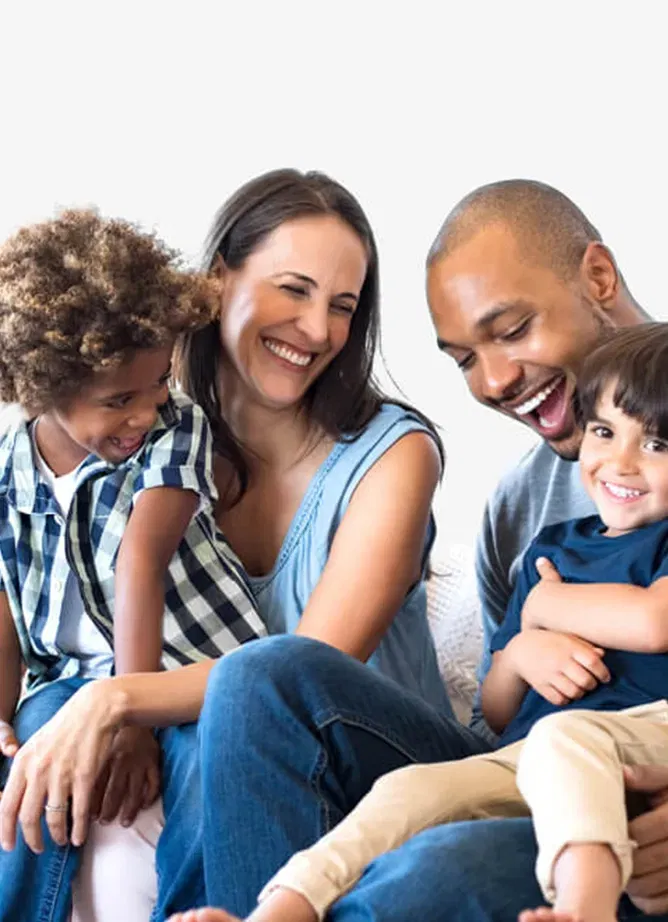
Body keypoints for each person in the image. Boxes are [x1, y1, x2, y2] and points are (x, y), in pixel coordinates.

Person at [168, 179, 668, 922]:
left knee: (429, 871)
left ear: (597, 277)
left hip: (614, 797)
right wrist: (522, 650)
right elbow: (499, 719)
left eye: (513, 329)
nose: (495, 381)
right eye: (464, 359)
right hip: (523, 768)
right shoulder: (521, 510)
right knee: (259, 676)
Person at [1, 170, 455, 921]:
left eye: (343, 307)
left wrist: (117, 699)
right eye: (294, 290)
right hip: (237, 761)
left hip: (366, 766)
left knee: (234, 706)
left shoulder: (394, 455)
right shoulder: (136, 425)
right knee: (53, 742)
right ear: (217, 281)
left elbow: (297, 678)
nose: (317, 330)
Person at [0, 209, 265, 922]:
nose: (144, 414)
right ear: (44, 387)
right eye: (119, 400)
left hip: (191, 672)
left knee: (212, 766)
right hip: (67, 681)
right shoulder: (7, 468)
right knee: (33, 767)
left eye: (157, 386)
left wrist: (135, 722)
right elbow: (3, 600)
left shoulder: (177, 429)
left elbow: (139, 563)